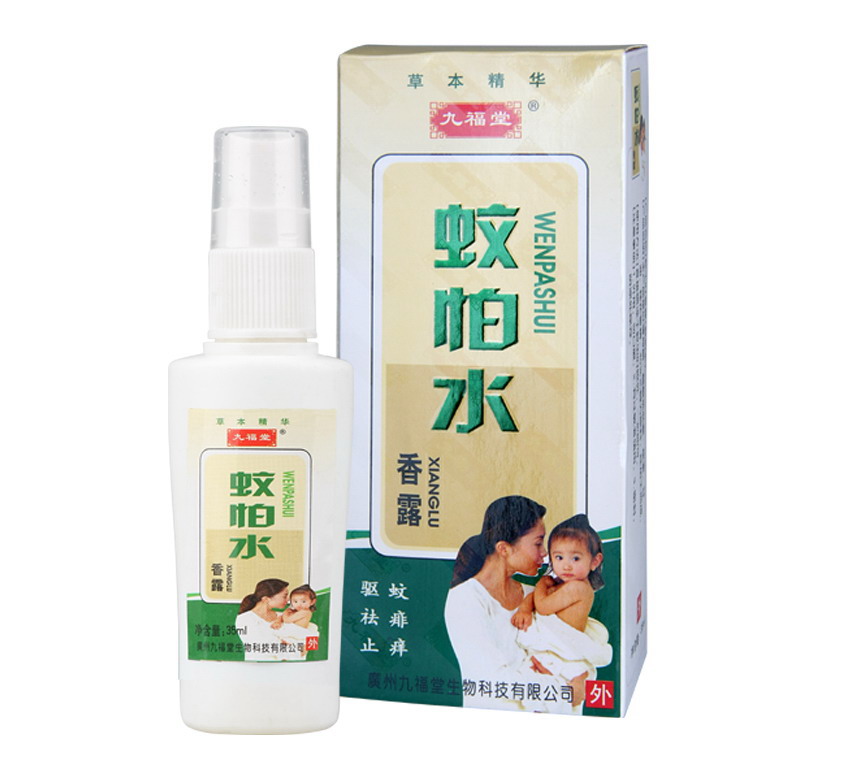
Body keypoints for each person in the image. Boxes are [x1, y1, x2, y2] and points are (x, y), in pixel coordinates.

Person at [444, 496, 588, 711]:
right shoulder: (466, 599)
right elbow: (492, 680)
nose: (545, 553)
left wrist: (576, 680)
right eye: (538, 543)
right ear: (504, 549)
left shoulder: (534, 597)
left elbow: (572, 656)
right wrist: (563, 690)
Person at [515, 514, 612, 714]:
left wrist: (541, 584)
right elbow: (535, 600)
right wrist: (524, 608)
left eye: (575, 558)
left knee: (551, 694)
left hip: (565, 654)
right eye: (559, 557)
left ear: (595, 561)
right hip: (554, 651)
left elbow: (543, 606)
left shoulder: (578, 588)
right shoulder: (561, 584)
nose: (566, 565)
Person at [235, 578, 290, 661]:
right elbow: (259, 646)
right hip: (257, 665)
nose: (288, 599)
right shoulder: (245, 619)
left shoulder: (282, 616)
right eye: (285, 596)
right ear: (266, 599)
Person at [270, 583, 321, 660]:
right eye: (295, 601)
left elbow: (287, 620)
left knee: (293, 645)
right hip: (292, 633)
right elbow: (281, 617)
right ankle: (284, 651)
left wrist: (286, 612)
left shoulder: (306, 612)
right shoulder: (294, 611)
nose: (299, 604)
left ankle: (291, 653)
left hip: (297, 632)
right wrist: (278, 621)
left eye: (303, 601)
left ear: (312, 602)